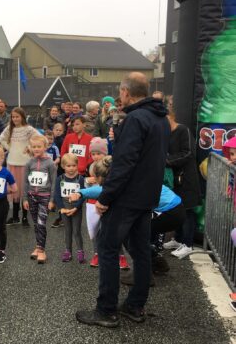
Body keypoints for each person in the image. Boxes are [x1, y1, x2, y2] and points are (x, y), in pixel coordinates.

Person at [76, 72, 170, 328]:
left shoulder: (136, 119)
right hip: (147, 195)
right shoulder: (160, 118)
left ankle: (106, 310)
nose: (120, 96)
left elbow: (123, 163)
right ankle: (135, 305)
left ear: (126, 92)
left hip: (127, 197)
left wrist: (106, 197)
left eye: (121, 92)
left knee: (107, 248)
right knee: (140, 251)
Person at [162, 100, 202, 260]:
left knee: (188, 210)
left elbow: (188, 153)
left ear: (170, 117)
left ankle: (188, 244)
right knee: (178, 208)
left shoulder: (183, 130)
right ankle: (178, 239)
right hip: (174, 178)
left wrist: (167, 160)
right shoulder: (166, 134)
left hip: (187, 177)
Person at [82, 138, 128, 270]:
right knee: (95, 230)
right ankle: (97, 254)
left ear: (105, 153)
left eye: (99, 153)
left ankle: (121, 256)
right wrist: (87, 181)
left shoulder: (110, 165)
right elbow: (85, 184)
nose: (95, 156)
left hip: (108, 202)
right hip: (92, 203)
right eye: (93, 154)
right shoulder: (90, 166)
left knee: (112, 230)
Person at [0, 107, 38, 225]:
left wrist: (30, 148)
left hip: (25, 164)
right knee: (14, 191)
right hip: (12, 163)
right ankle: (15, 217)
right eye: (13, 117)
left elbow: (41, 139)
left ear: (22, 117)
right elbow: (1, 139)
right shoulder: (9, 128)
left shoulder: (29, 129)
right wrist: (10, 148)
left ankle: (25, 217)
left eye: (17, 116)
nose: (15, 119)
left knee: (25, 190)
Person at [24, 135, 57, 264]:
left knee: (41, 223)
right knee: (36, 224)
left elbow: (54, 183)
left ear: (45, 147)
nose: (36, 149)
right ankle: (38, 246)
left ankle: (42, 250)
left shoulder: (50, 163)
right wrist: (25, 198)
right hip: (32, 197)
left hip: (45, 197)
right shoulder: (29, 163)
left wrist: (52, 200)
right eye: (34, 147)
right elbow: (25, 182)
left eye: (39, 146)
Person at [51, 153, 86, 263]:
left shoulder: (80, 179)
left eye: (74, 165)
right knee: (67, 230)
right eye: (68, 166)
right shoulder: (60, 179)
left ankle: (80, 251)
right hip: (65, 209)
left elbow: (83, 195)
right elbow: (57, 195)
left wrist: (76, 207)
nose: (71, 168)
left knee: (76, 231)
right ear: (63, 166)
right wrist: (62, 208)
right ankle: (68, 251)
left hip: (76, 209)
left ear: (77, 165)